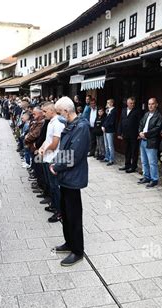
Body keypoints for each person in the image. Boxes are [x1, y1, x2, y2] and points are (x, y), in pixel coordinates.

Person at [50, 97, 90, 267]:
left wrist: (57, 167)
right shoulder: (70, 125)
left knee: (74, 215)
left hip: (73, 177)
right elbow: (63, 149)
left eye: (59, 113)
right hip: (65, 177)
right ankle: (69, 242)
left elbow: (73, 154)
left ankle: (78, 251)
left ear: (66, 111)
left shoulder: (81, 127)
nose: (59, 116)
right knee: (65, 213)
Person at [39, 102, 66, 223]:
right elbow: (47, 139)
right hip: (47, 157)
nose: (43, 114)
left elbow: (55, 144)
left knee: (55, 187)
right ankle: (54, 206)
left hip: (53, 158)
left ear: (51, 110)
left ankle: (60, 212)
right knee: (51, 185)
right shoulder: (50, 122)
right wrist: (41, 148)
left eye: (45, 111)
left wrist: (44, 150)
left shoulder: (58, 123)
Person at [138, 98, 162, 188]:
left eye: (152, 104)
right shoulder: (146, 114)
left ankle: (154, 179)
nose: (150, 106)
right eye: (149, 104)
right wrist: (140, 132)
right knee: (144, 161)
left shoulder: (159, 116)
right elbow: (141, 123)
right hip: (143, 140)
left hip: (151, 141)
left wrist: (145, 134)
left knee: (152, 162)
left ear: (156, 104)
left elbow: (157, 129)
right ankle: (146, 176)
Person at [118, 97, 141, 172]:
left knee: (134, 151)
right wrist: (119, 132)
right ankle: (127, 165)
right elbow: (121, 121)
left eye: (133, 103)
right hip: (125, 134)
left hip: (134, 135)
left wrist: (139, 133)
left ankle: (133, 167)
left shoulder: (137, 111)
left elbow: (140, 123)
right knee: (127, 150)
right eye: (131, 103)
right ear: (127, 103)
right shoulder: (124, 110)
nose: (132, 104)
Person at [103, 99, 117, 166]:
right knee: (106, 145)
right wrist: (103, 126)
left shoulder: (114, 111)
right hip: (106, 130)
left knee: (110, 145)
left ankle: (111, 159)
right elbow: (106, 120)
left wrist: (105, 126)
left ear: (111, 103)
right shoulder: (108, 110)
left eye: (108, 102)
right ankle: (107, 157)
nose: (107, 104)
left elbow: (111, 121)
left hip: (110, 130)